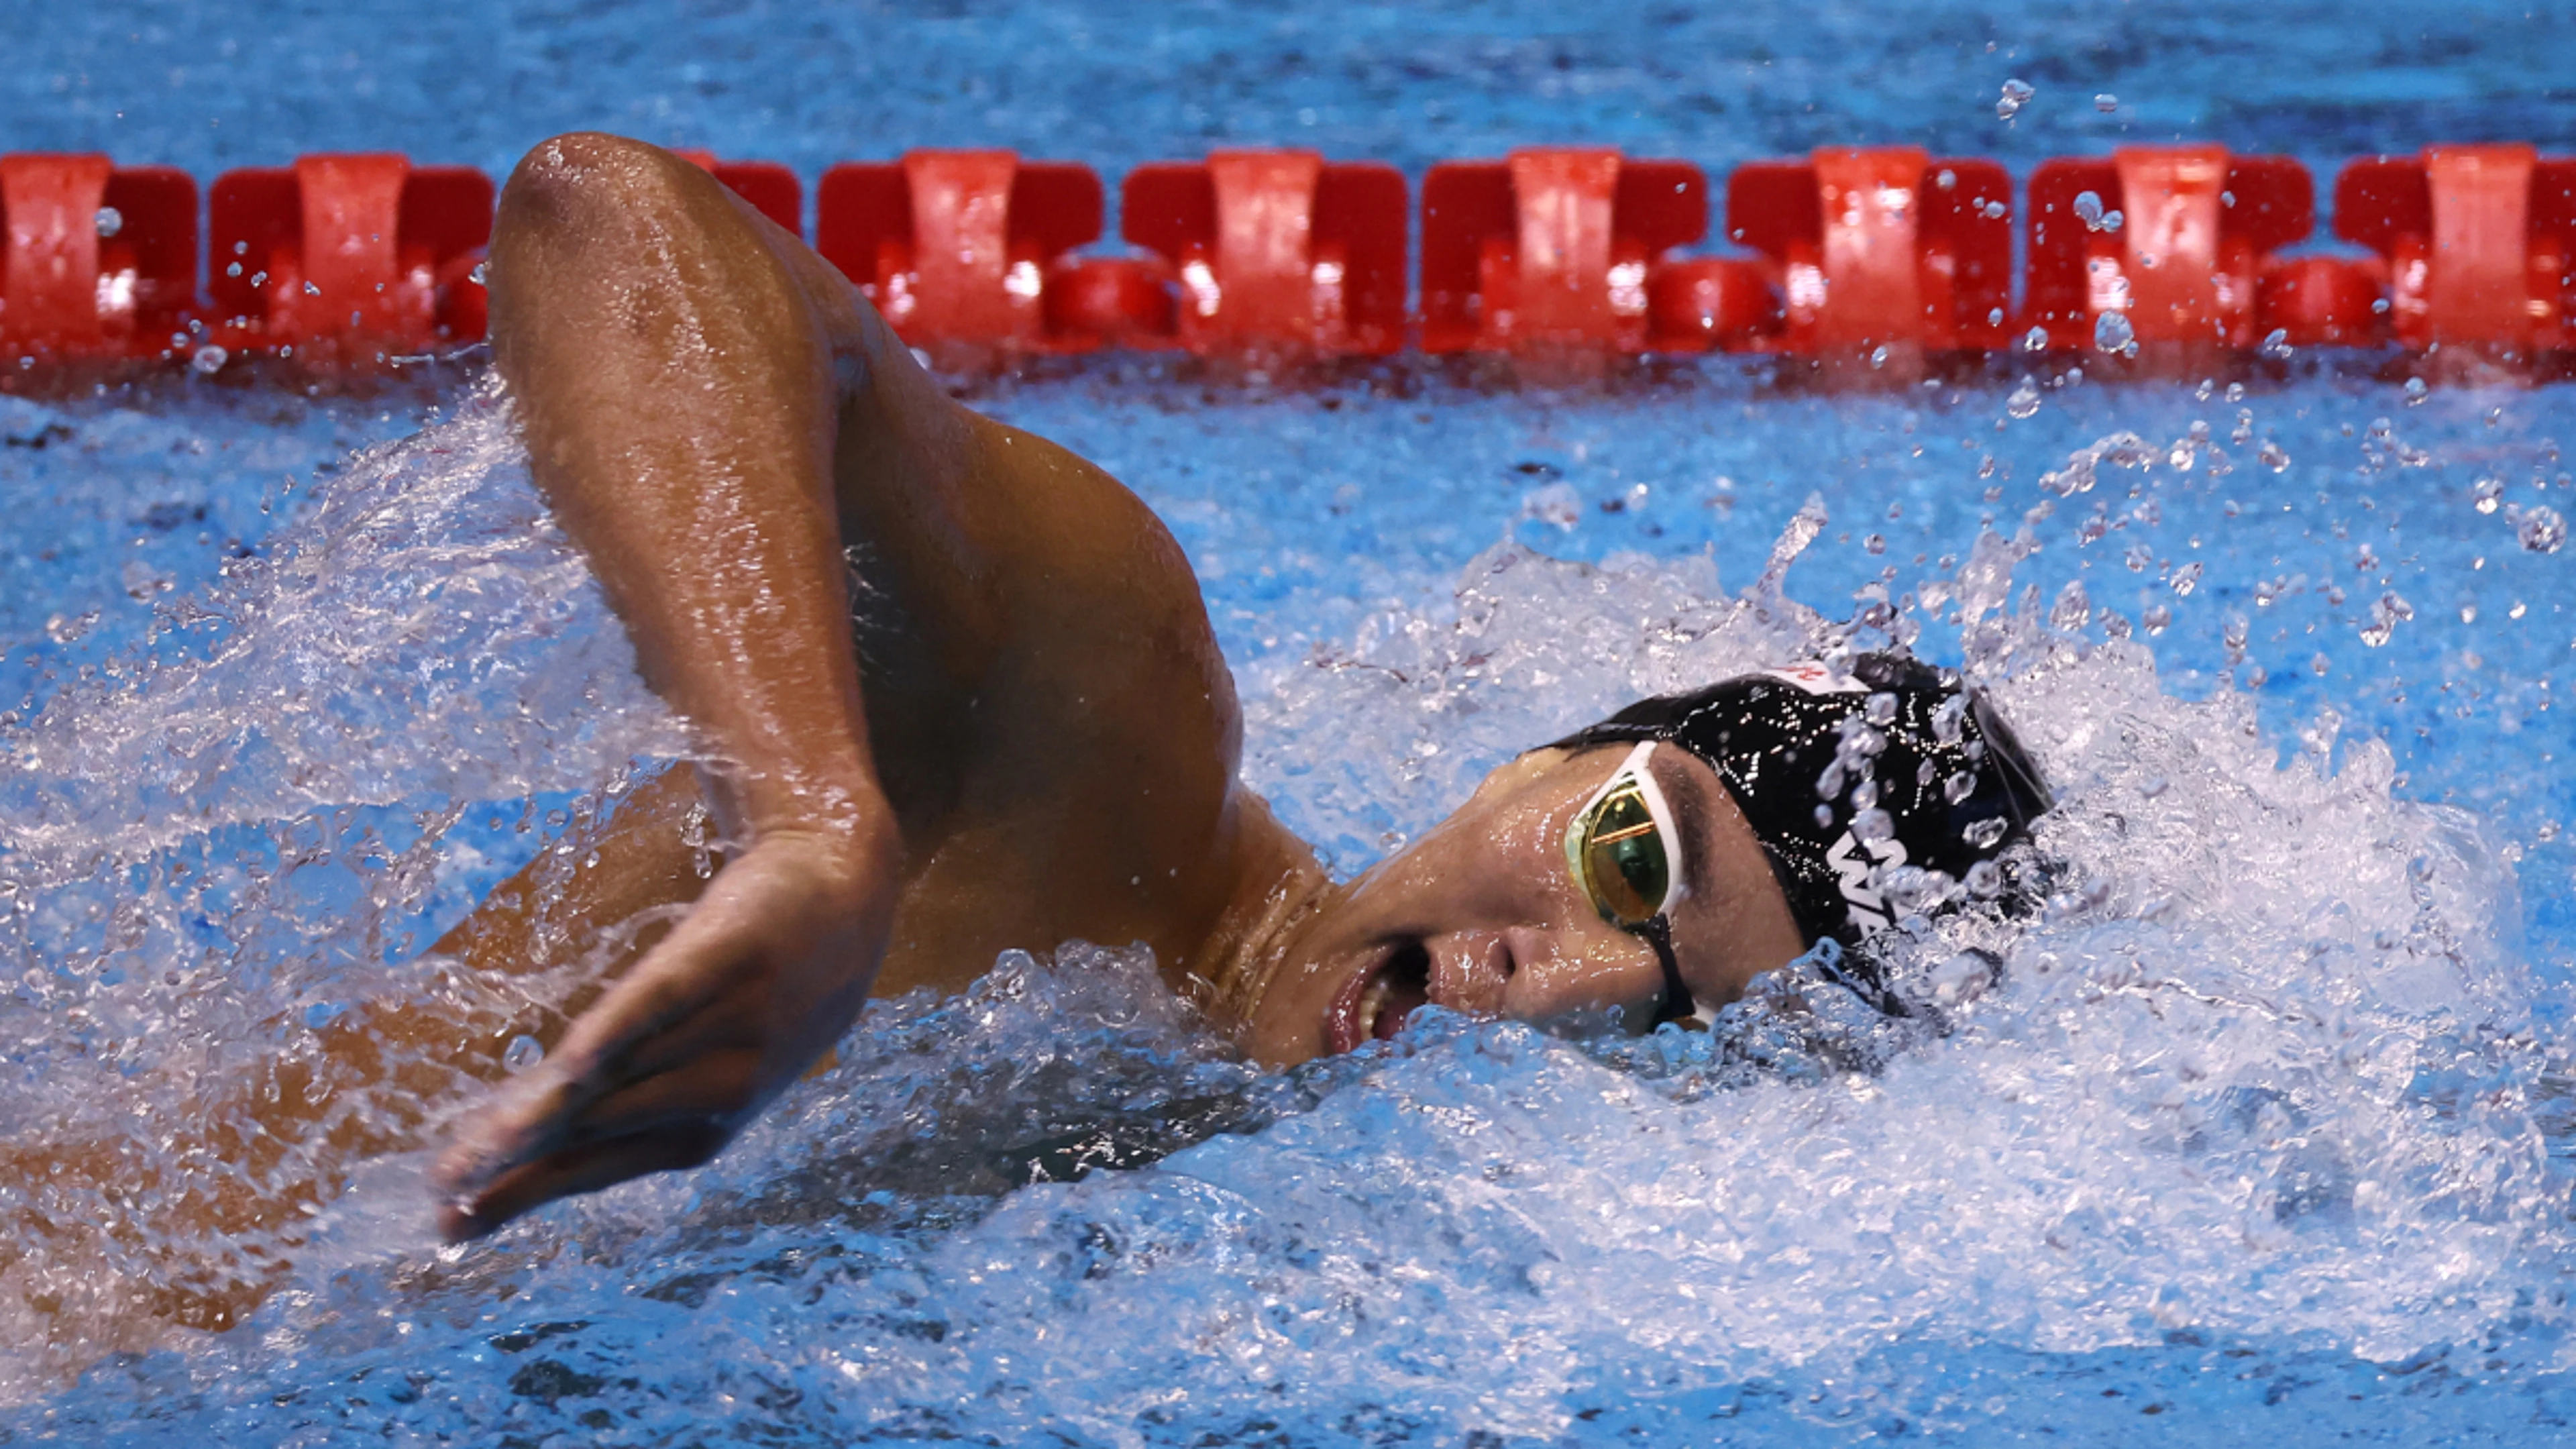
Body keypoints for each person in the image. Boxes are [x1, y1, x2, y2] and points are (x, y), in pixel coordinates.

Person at [417, 132, 2053, 1244]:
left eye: (1675, 1019)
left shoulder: (1225, 1171)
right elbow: (607, 214)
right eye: (1633, 861)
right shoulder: (1104, 726)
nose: (1544, 986)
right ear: (1546, 760)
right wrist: (808, 824)